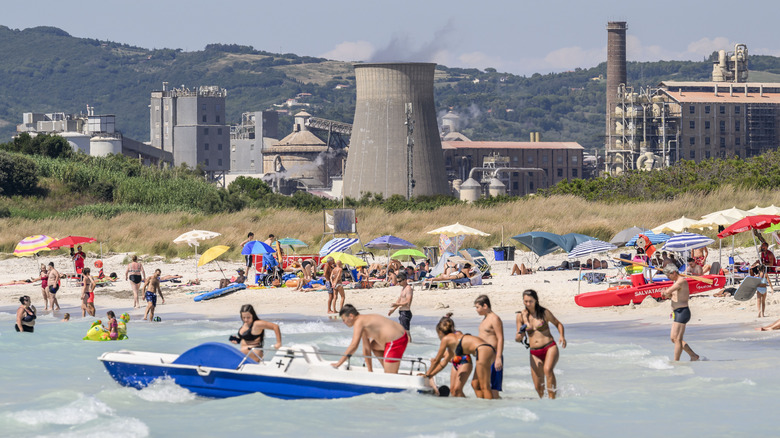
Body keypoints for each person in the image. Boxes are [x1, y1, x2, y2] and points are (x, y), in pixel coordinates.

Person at [424, 313, 496, 399]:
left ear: (440, 332)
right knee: (475, 384)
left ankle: (489, 408)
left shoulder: (446, 339)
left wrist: (427, 375)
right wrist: (431, 374)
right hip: (486, 349)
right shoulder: (452, 342)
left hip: (482, 350)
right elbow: (444, 363)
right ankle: (480, 407)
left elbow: (436, 360)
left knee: (484, 386)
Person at [516, 289, 566, 399]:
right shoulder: (521, 316)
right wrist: (520, 336)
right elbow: (518, 337)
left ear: (536, 300)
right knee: (538, 385)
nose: (528, 304)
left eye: (530, 301)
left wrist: (562, 336)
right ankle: (544, 405)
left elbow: (558, 324)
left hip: (549, 347)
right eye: (525, 301)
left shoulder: (544, 313)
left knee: (547, 370)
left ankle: (552, 399)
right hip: (534, 352)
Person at [331, 304, 409, 373]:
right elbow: (366, 348)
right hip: (401, 335)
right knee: (373, 346)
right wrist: (370, 370)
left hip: (395, 341)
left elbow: (354, 345)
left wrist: (339, 363)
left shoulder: (359, 322)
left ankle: (390, 372)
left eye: (344, 319)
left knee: (391, 376)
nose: (344, 322)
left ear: (351, 316)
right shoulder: (364, 321)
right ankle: (389, 369)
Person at [660, 264, 700, 361]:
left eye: (668, 276)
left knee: (677, 339)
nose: (668, 278)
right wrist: (666, 294)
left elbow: (668, 292)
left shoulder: (681, 281)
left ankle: (676, 361)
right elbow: (670, 295)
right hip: (677, 312)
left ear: (673, 272)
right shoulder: (676, 282)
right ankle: (693, 355)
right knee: (673, 338)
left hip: (683, 312)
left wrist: (665, 292)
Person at [474, 295, 504, 399]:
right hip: (482, 357)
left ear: (485, 306)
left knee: (493, 389)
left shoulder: (494, 319)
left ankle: (497, 409)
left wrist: (498, 357)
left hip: (493, 356)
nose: (476, 310)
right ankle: (486, 408)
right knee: (477, 384)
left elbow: (500, 338)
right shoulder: (485, 319)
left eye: (477, 307)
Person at [388, 272, 413, 336]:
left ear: (405, 280)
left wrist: (396, 305)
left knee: (406, 333)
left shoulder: (408, 288)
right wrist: (393, 310)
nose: (398, 283)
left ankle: (409, 344)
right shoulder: (403, 288)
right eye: (398, 281)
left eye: (400, 281)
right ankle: (408, 345)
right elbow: (400, 300)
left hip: (405, 313)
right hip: (402, 313)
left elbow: (407, 302)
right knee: (403, 332)